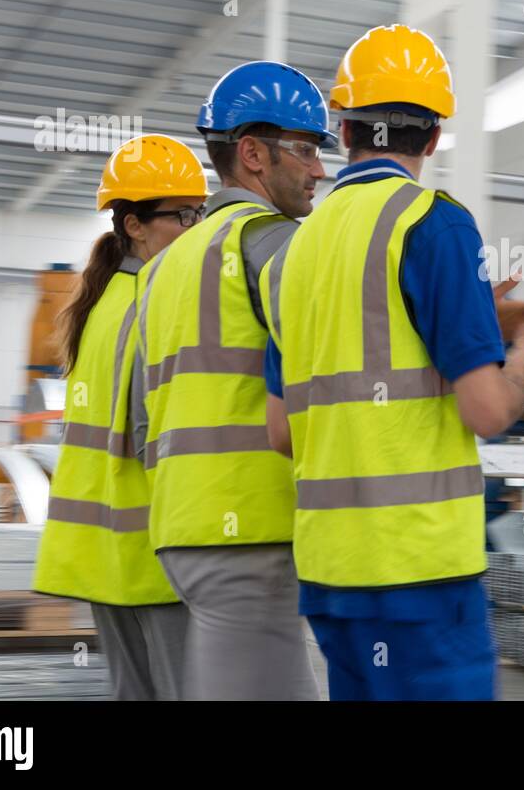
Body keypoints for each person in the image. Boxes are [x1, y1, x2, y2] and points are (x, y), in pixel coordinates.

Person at [260, 24, 524, 700]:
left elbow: (281, 432)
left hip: (332, 574)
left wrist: (470, 322)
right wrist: (518, 352)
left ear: (343, 130)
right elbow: (486, 412)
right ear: (433, 138)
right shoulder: (433, 223)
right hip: (422, 572)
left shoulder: (292, 255)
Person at [129, 61, 337, 700]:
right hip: (249, 526)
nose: (319, 170)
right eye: (304, 150)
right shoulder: (267, 241)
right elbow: (343, 340)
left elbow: (144, 424)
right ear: (251, 153)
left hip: (185, 529)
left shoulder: (165, 267)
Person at [33, 133, 208, 700]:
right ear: (134, 225)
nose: (196, 228)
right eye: (183, 216)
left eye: (200, 213)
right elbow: (151, 438)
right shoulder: (156, 304)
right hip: (155, 553)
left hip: (102, 555)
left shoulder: (99, 304)